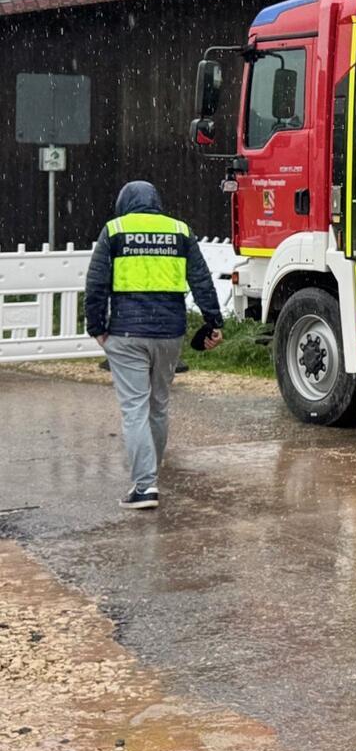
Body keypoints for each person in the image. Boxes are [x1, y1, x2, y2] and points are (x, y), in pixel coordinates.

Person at [84, 181, 224, 510]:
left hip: (127, 333)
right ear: (156, 202)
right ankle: (152, 472)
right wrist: (214, 322)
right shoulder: (180, 230)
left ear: (124, 203)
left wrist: (97, 328)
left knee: (135, 408)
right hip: (170, 334)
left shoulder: (115, 230)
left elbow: (96, 283)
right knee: (158, 406)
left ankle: (145, 486)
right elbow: (201, 279)